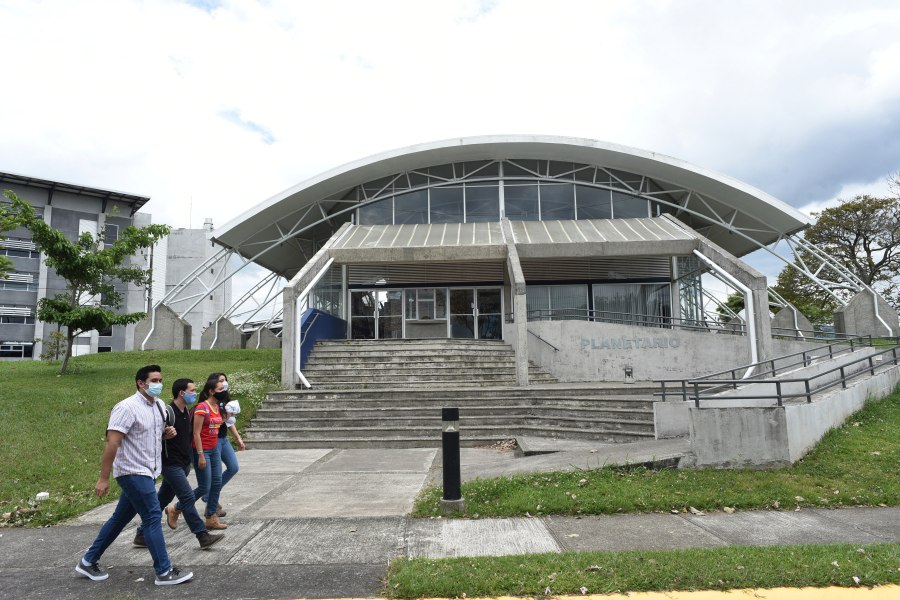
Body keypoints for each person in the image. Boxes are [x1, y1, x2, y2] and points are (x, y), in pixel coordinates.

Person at [75, 365, 193, 586]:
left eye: (160, 380)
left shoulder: (159, 406)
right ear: (141, 383)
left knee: (120, 518)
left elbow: (150, 434)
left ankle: (88, 560)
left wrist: (166, 434)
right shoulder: (126, 408)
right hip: (131, 471)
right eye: (154, 380)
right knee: (151, 516)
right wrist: (103, 478)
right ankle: (164, 571)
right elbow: (112, 442)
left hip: (149, 471)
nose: (159, 384)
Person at [133, 378, 224, 549]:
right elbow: (150, 435)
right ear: (182, 393)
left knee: (162, 499)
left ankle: (141, 534)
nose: (195, 393)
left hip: (183, 464)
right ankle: (202, 536)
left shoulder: (186, 412)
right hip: (170, 464)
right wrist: (163, 435)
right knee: (187, 497)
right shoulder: (167, 412)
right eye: (192, 391)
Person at [174, 376, 227, 530]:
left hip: (214, 448)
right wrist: (201, 455)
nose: (223, 391)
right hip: (201, 450)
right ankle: (176, 508)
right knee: (204, 487)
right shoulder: (202, 407)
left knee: (216, 483)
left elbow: (215, 428)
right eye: (220, 389)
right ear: (211, 391)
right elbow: (196, 433)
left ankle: (211, 516)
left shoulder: (218, 407)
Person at [200, 372, 244, 518]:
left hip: (223, 438)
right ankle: (211, 503)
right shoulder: (207, 400)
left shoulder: (225, 396)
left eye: (225, 380)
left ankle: (209, 495)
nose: (223, 384)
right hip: (214, 439)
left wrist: (238, 438)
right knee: (216, 477)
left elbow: (228, 421)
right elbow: (217, 419)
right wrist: (228, 414)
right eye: (220, 381)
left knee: (233, 467)